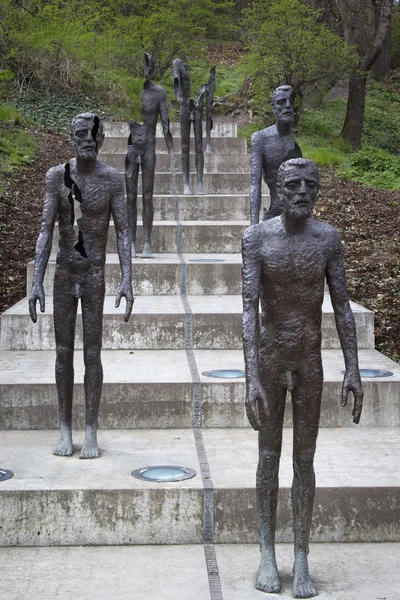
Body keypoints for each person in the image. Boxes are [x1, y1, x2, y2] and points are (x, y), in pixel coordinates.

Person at [242, 158, 363, 598]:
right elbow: (248, 308)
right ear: (277, 187)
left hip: (310, 360)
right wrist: (250, 374)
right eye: (292, 184)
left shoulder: (327, 239)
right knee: (269, 456)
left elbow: (344, 305)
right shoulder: (256, 238)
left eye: (310, 185)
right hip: (271, 357)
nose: (302, 192)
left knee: (304, 461)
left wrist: (352, 366)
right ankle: (267, 554)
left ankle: (302, 556)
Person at [29, 112, 133, 459]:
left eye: (93, 134)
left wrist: (128, 279)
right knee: (62, 353)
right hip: (64, 274)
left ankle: (90, 431)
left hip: (93, 276)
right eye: (81, 134)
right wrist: (36, 281)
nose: (87, 139)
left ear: (101, 139)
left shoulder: (112, 180)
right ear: (72, 138)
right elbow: (46, 229)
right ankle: (64, 429)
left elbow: (123, 231)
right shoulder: (57, 177)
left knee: (92, 354)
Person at [126, 53, 173, 257]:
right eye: (144, 66)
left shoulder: (158, 92)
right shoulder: (130, 91)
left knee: (147, 197)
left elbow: (165, 123)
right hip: (132, 148)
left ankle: (146, 243)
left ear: (152, 68)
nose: (146, 71)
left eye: (149, 66)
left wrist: (171, 149)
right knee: (130, 198)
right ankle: (130, 243)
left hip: (149, 148)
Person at [250, 85, 301, 224]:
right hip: (275, 213)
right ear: (274, 109)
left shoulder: (296, 146)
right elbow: (255, 184)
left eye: (291, 101)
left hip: (296, 216)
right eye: (281, 102)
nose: (288, 106)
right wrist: (253, 225)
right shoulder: (260, 138)